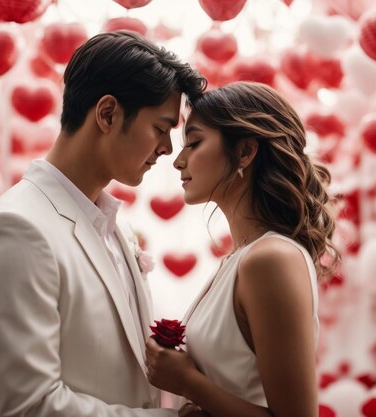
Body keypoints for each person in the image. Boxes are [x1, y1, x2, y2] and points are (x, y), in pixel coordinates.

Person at [0, 31, 206, 417]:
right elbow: (24, 406)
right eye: (161, 128)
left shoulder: (114, 228)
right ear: (107, 114)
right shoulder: (15, 230)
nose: (168, 149)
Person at [145, 81, 340, 417]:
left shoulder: (271, 259)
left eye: (194, 143)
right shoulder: (241, 259)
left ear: (246, 151)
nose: (178, 161)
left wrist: (188, 382)